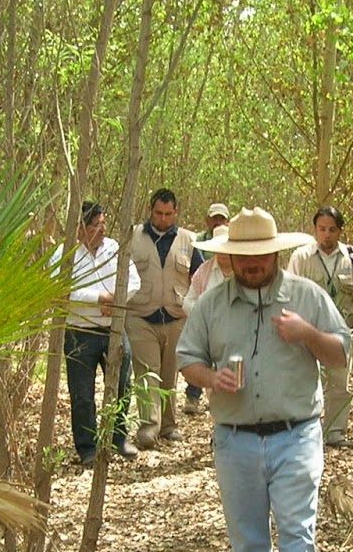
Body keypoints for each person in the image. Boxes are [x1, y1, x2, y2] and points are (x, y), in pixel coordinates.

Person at [178, 207, 351, 552]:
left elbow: (340, 354)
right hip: (235, 437)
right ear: (230, 257)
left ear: (276, 255)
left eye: (261, 256)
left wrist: (307, 333)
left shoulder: (307, 296)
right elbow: (187, 358)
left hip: (296, 432)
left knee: (297, 528)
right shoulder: (212, 304)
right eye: (244, 257)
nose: (253, 264)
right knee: (248, 533)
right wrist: (212, 378)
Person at [286, 206, 353, 447]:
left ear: (340, 231)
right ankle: (305, 430)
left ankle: (335, 432)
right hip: (308, 330)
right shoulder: (301, 257)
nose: (326, 235)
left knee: (340, 383)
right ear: (315, 230)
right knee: (306, 381)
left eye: (332, 230)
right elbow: (288, 291)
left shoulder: (352, 257)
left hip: (342, 330)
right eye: (322, 229)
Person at [58, 201, 141, 467]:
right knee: (82, 394)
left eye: (104, 223)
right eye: (97, 224)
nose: (103, 229)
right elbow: (62, 289)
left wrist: (114, 299)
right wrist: (98, 298)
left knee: (122, 385)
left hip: (113, 329)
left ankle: (119, 438)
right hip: (79, 333)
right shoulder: (65, 253)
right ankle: (87, 448)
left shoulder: (115, 248)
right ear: (81, 227)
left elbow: (134, 281)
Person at [127, 188, 202, 448]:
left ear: (176, 212)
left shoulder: (189, 240)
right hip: (140, 315)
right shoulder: (132, 236)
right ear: (150, 210)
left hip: (175, 315)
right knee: (147, 372)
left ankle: (168, 425)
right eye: (158, 213)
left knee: (170, 373)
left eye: (168, 214)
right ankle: (149, 428)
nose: (163, 218)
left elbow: (199, 277)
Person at [185, 202, 230, 416]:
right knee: (213, 385)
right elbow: (188, 302)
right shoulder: (204, 271)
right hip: (210, 336)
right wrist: (203, 317)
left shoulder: (245, 272)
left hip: (239, 338)